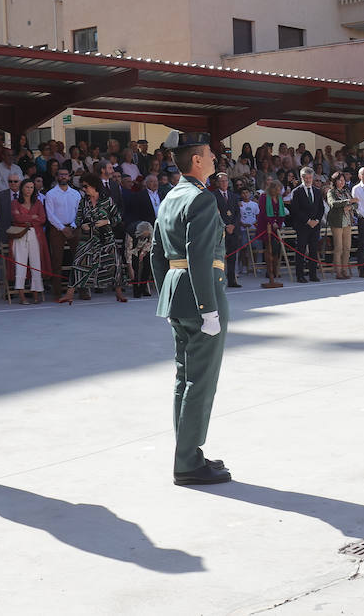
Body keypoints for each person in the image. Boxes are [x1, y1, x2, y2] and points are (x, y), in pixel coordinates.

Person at [149, 133, 232, 486]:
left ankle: (188, 454)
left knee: (184, 379)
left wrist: (166, 296)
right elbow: (199, 255)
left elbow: (155, 253)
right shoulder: (201, 199)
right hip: (201, 296)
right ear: (196, 160)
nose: (214, 158)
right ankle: (187, 464)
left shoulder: (170, 198)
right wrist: (208, 309)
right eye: (210, 154)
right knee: (201, 382)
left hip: (175, 293)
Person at [59, 173, 126, 304]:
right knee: (78, 263)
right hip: (87, 238)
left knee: (113, 264)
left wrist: (106, 222)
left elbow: (117, 218)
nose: (84, 189)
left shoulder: (107, 200)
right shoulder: (83, 202)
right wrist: (82, 224)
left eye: (86, 186)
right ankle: (69, 294)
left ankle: (119, 294)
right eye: (82, 187)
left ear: (94, 186)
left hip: (105, 237)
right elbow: (78, 218)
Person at [44, 168, 82, 300]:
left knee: (79, 259)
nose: (63, 177)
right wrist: (62, 228)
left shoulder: (76, 194)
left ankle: (82, 290)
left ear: (69, 177)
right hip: (57, 229)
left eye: (66, 175)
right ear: (57, 177)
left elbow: (80, 212)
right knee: (57, 261)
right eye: (61, 175)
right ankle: (57, 292)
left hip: (74, 227)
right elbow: (50, 214)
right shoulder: (50, 194)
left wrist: (72, 226)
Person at [8, 178, 48, 304]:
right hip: (20, 236)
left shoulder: (38, 203)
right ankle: (22, 296)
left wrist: (27, 219)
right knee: (21, 264)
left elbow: (42, 219)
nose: (29, 190)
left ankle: (36, 294)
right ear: (22, 189)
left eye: (31, 187)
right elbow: (17, 218)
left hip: (35, 235)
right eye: (27, 187)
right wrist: (32, 217)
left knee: (36, 264)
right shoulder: (15, 203)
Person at [287, 166, 326, 283]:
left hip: (315, 225)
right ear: (302, 178)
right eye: (306, 178)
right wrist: (308, 221)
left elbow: (321, 208)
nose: (308, 180)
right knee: (301, 250)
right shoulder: (296, 192)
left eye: (310, 177)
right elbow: (295, 210)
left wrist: (317, 220)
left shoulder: (317, 191)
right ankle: (300, 275)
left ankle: (313, 274)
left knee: (314, 250)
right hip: (303, 225)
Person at [211, 173, 242, 288]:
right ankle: (219, 280)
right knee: (219, 256)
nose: (224, 183)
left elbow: (237, 213)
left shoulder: (233, 196)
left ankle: (232, 280)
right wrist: (224, 226)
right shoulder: (213, 196)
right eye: (222, 181)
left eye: (226, 181)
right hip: (220, 231)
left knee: (232, 256)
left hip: (233, 230)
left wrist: (233, 226)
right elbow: (214, 214)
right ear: (217, 183)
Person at [326, 172, 356, 279]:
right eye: (339, 180)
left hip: (347, 222)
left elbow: (355, 203)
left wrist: (350, 207)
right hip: (337, 222)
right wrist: (347, 202)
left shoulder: (346, 191)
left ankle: (344, 270)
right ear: (334, 181)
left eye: (343, 180)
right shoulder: (331, 192)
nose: (341, 182)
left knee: (347, 247)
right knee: (338, 247)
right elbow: (333, 203)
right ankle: (338, 271)